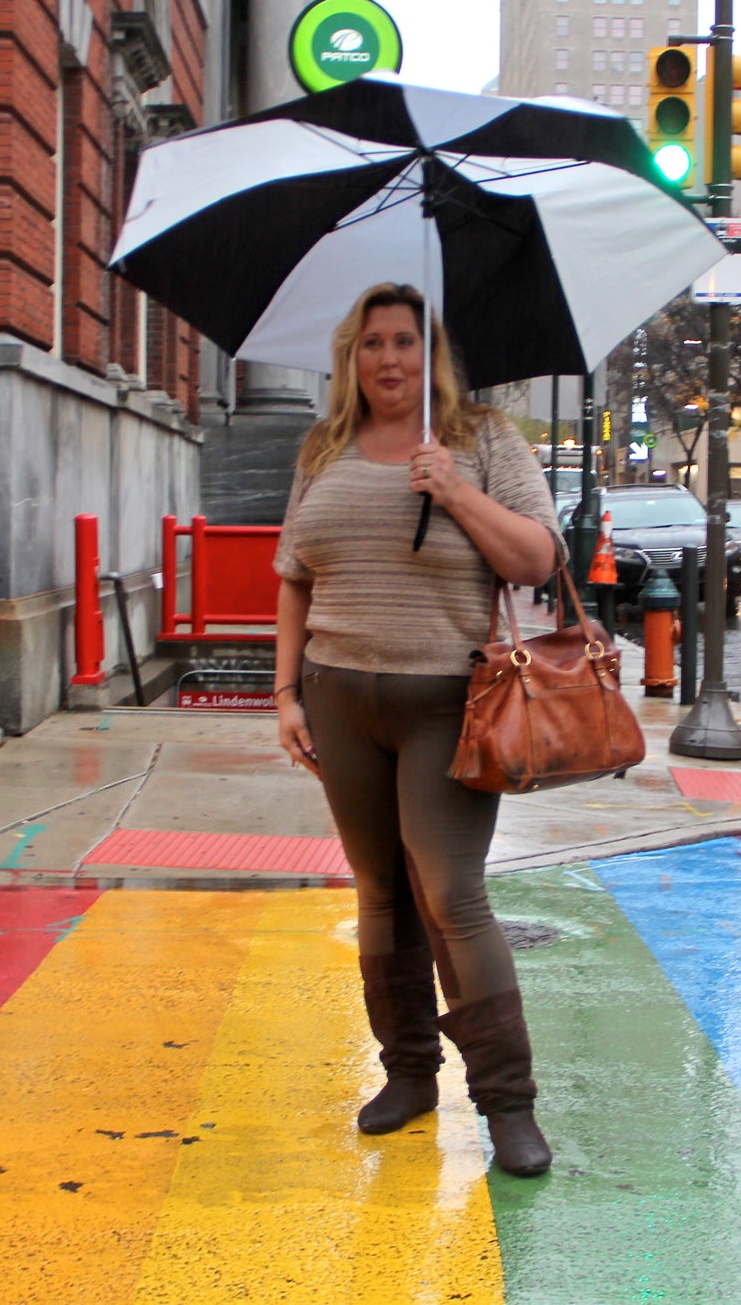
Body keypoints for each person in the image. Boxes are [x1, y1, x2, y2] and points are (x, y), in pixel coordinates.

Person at [271, 282, 563, 1177]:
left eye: (404, 341)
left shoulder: (480, 440)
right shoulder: (323, 446)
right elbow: (294, 574)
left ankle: (508, 1106)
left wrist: (457, 494)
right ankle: (409, 1076)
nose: (388, 359)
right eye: (370, 343)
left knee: (451, 896)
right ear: (349, 357)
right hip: (339, 698)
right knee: (379, 893)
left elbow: (539, 559)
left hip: (448, 702)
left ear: (429, 354)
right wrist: (285, 693)